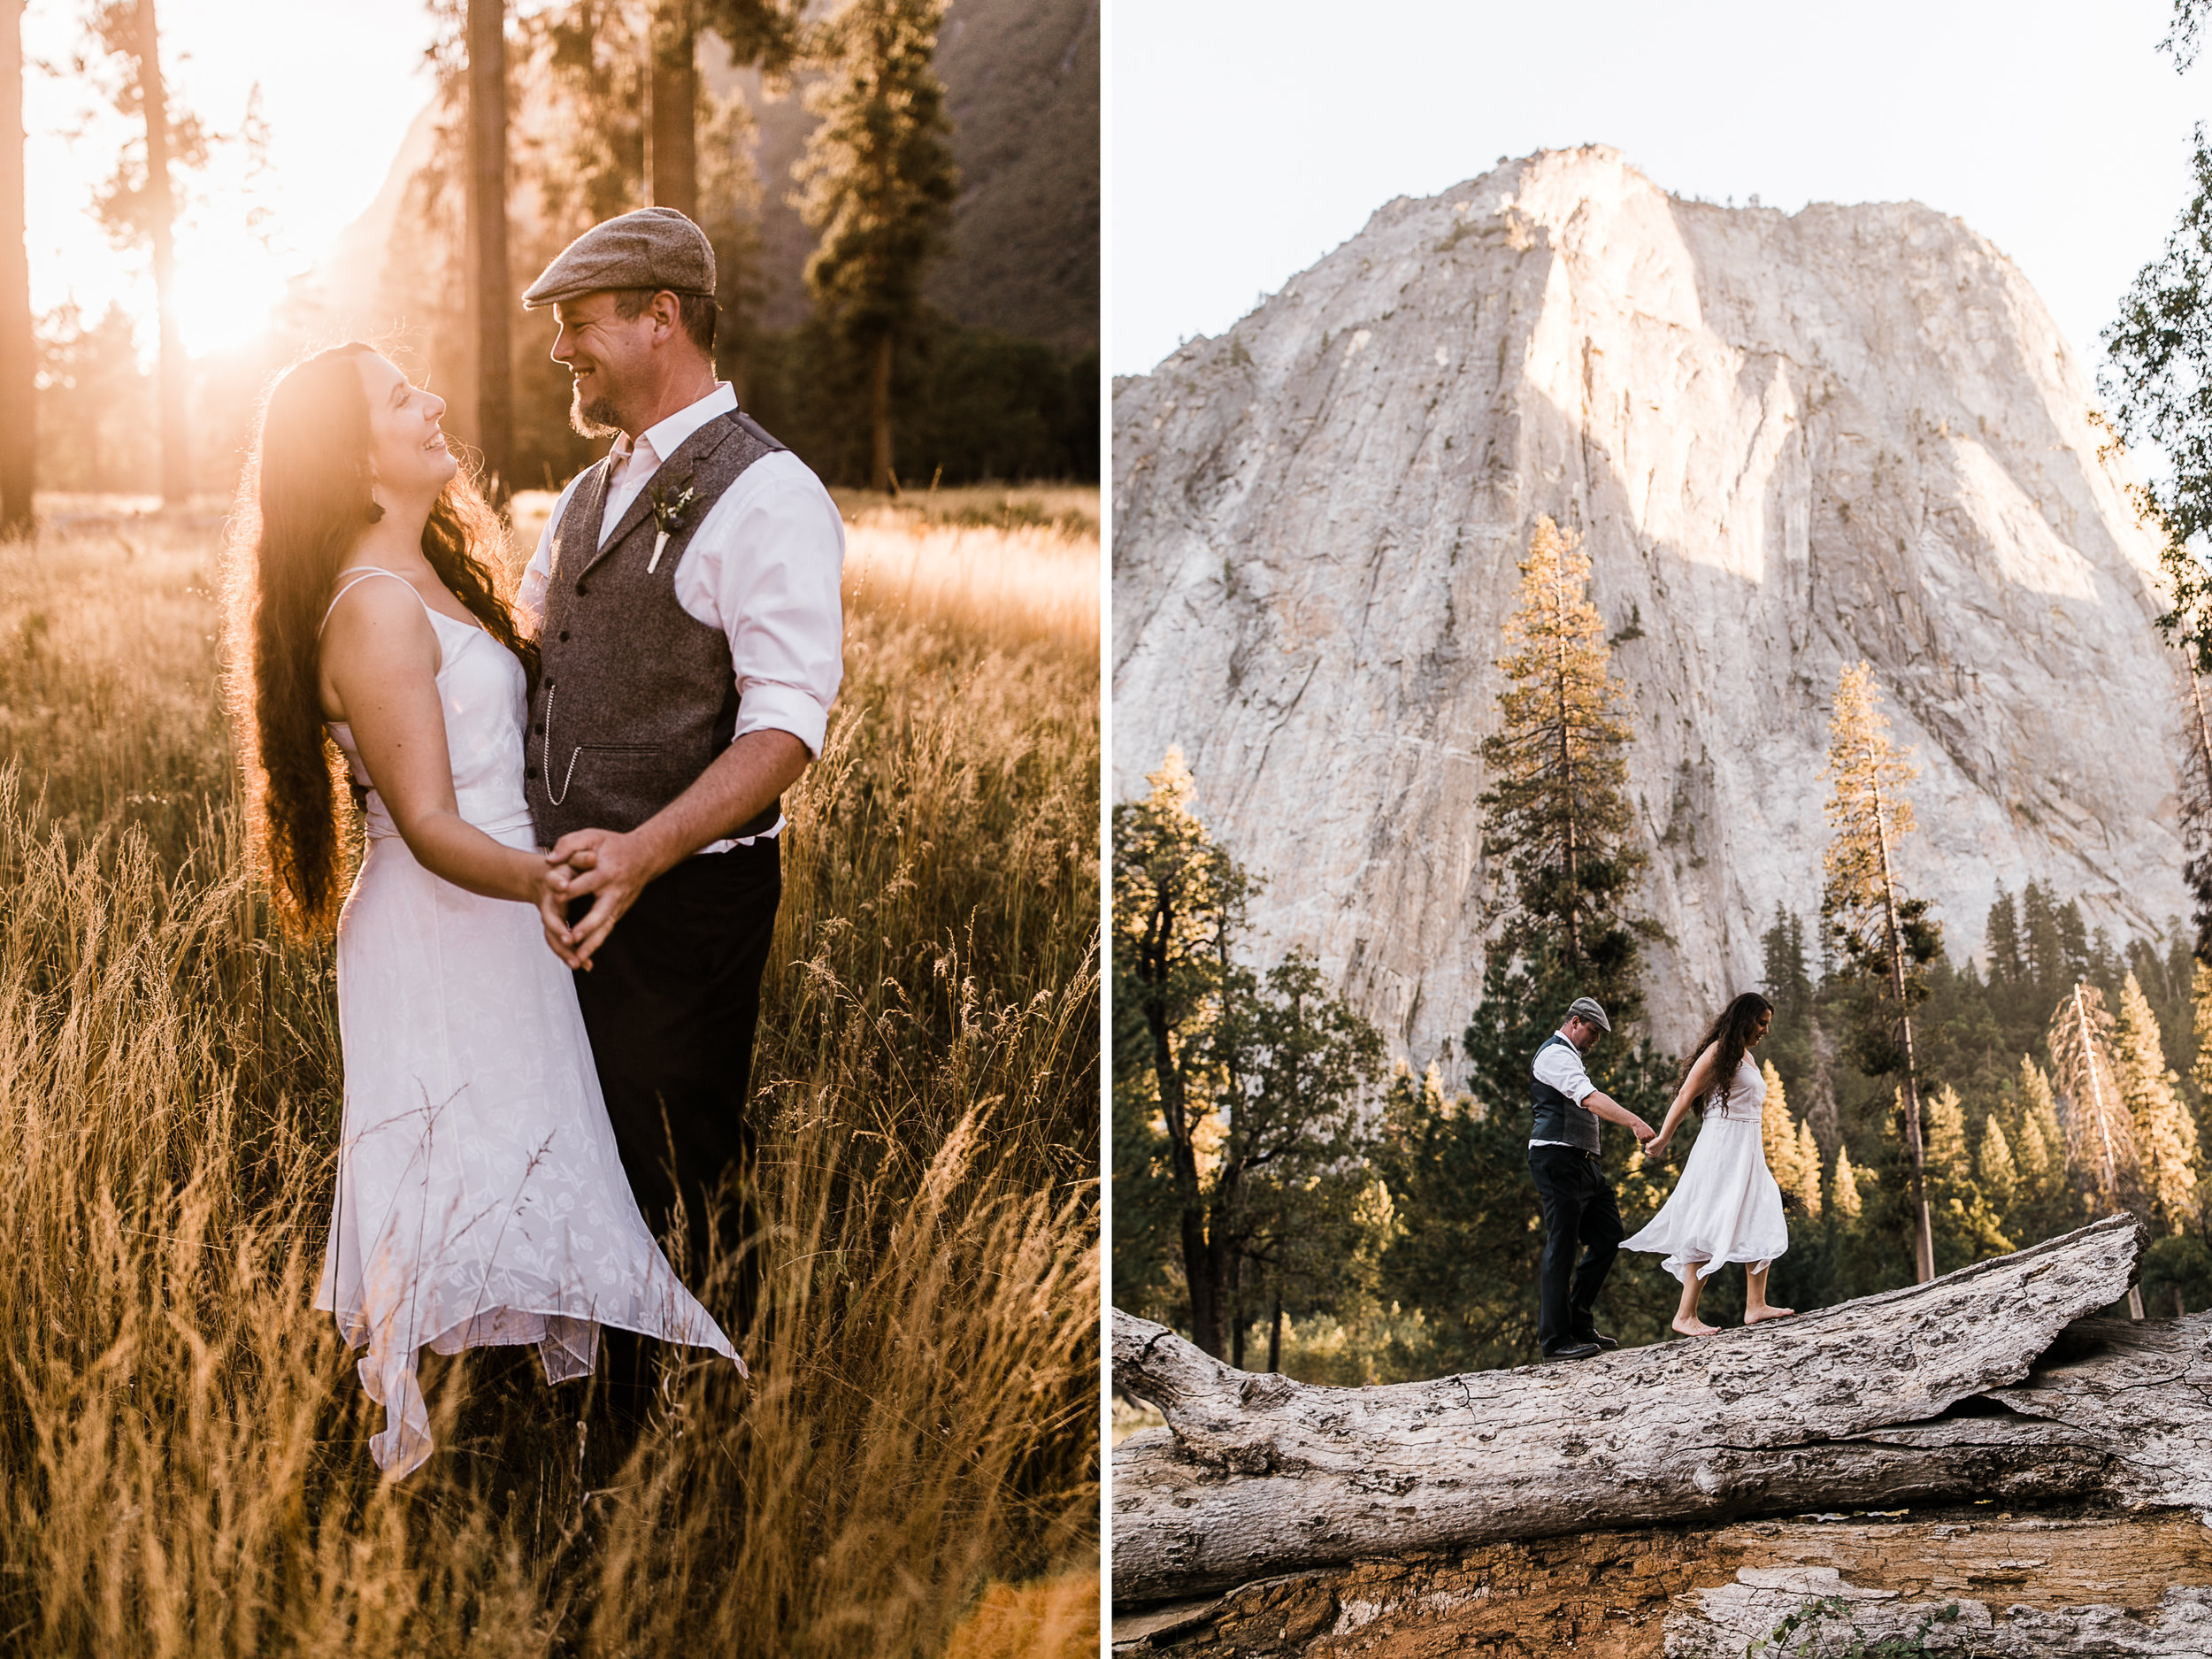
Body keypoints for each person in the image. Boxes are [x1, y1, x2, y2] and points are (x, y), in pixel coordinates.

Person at [227, 342, 737, 1479]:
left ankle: (538, 1455)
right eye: (401, 399)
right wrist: (555, 882)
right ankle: (473, 1478)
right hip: (447, 921)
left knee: (524, 1165)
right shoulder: (371, 611)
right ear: (352, 458)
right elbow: (426, 821)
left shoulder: (431, 577)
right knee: (462, 1177)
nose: (434, 403)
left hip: (496, 919)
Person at [515, 207, 846, 1394]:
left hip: (688, 895)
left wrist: (646, 848)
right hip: (564, 897)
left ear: (663, 319)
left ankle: (712, 1427)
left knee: (678, 1167)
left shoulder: (770, 495)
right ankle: (594, 1410)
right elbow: (528, 652)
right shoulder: (582, 494)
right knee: (574, 1154)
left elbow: (787, 723)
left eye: (577, 325)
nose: (561, 350)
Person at [1623, 991, 1794, 1336]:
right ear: (1744, 1019)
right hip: (1721, 1146)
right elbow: (1686, 1095)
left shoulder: (1746, 1057)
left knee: (1762, 1210)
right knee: (1708, 1219)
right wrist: (1662, 1141)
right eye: (1761, 1022)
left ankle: (1756, 1305)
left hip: (1747, 1148)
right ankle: (1685, 1315)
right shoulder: (1718, 1052)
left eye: (1767, 1024)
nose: (1765, 1030)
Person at [1527, 995, 1657, 1362]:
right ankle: (1555, 1340)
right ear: (1574, 1022)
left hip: (1583, 1164)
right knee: (1562, 1245)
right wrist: (1634, 1121)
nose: (1595, 1039)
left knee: (1608, 1235)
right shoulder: (1554, 1055)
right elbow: (1587, 1098)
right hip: (1556, 1159)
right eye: (1593, 1031)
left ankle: (1579, 1323)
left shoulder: (1571, 1057)